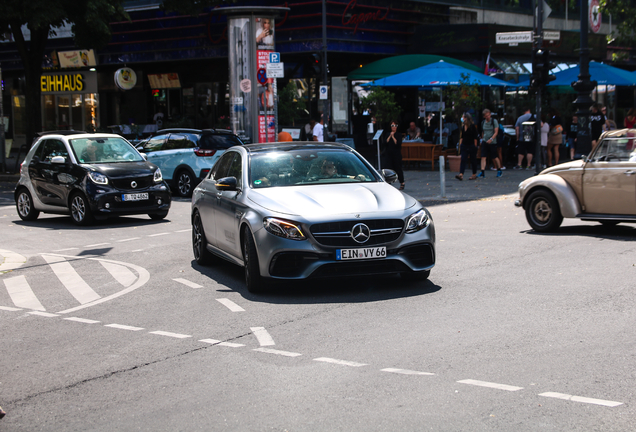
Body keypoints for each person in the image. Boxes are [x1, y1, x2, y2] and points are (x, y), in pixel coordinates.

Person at [478, 109, 502, 178]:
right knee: (483, 156)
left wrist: (491, 139)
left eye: (488, 115)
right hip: (485, 141)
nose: (488, 117)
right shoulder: (483, 123)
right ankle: (482, 171)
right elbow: (483, 132)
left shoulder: (494, 121)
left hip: (492, 142)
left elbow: (496, 132)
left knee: (494, 156)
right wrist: (482, 140)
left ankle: (499, 169)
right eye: (486, 116)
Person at [455, 113, 479, 181]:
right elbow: (462, 137)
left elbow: (475, 137)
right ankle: (461, 174)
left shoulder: (472, 127)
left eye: (463, 117)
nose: (462, 118)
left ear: (466, 118)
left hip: (471, 145)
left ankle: (474, 174)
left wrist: (475, 146)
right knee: (463, 159)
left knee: (473, 160)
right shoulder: (463, 127)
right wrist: (460, 145)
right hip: (464, 145)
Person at [382, 120, 405, 190]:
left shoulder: (399, 135)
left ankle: (402, 182)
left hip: (396, 154)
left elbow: (398, 144)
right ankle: (388, 183)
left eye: (395, 126)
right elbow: (385, 143)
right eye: (392, 126)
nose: (394, 127)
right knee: (388, 168)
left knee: (398, 168)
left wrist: (393, 137)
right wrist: (389, 136)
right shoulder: (387, 134)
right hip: (389, 154)